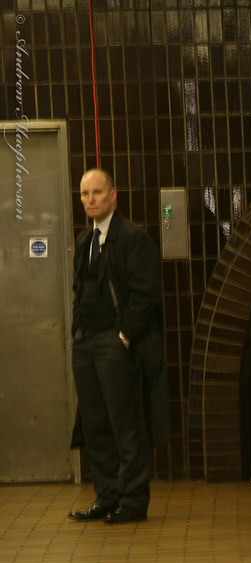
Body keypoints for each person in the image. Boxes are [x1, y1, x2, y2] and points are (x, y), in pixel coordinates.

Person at [68, 168, 169, 524]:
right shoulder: (85, 240)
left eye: (97, 192)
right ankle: (107, 495)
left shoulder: (132, 237)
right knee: (95, 423)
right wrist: (77, 333)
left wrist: (124, 336)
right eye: (84, 194)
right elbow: (80, 290)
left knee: (125, 423)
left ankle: (133, 499)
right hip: (87, 343)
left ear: (113, 196)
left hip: (115, 343)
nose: (90, 200)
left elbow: (146, 294)